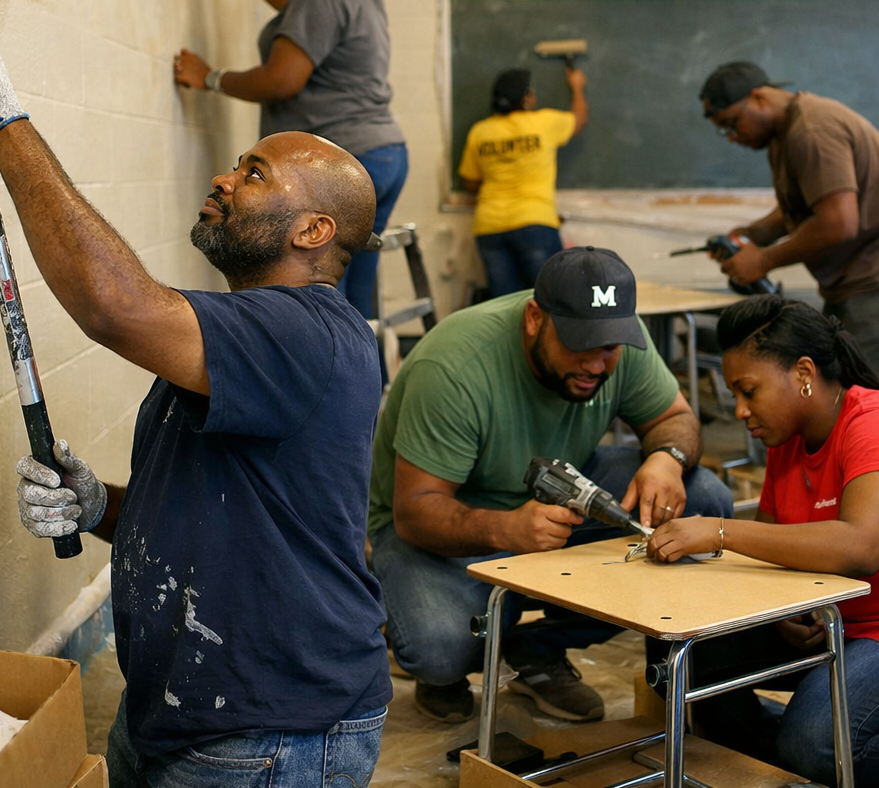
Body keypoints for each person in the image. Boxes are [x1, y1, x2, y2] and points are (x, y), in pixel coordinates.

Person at [0, 17, 392, 788]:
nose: (223, 179)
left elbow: (114, 305)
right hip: (183, 714)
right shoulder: (249, 336)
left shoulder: (307, 335)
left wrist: (3, 116)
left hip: (272, 732)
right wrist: (95, 505)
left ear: (314, 230)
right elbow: (217, 514)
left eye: (253, 175)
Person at [368, 246, 733, 724]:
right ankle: (440, 665)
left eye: (609, 348)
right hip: (445, 520)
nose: (598, 365)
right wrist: (507, 531)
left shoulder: (620, 341)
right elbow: (415, 511)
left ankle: (537, 649)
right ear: (535, 318)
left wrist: (668, 459)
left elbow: (676, 418)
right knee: (440, 648)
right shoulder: (454, 368)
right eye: (580, 345)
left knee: (703, 500)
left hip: (560, 490)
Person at [647, 296, 879, 786]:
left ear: (803, 372)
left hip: (875, 631)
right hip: (831, 625)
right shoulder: (786, 437)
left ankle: (811, 750)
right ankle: (778, 758)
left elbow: (862, 546)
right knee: (678, 654)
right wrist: (786, 612)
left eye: (748, 390)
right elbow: (775, 552)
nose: (739, 409)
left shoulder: (869, 423)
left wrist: (719, 530)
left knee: (815, 741)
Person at [174, 0, 409, 325]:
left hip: (346, 161)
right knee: (352, 299)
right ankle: (364, 387)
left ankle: (331, 388)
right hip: (381, 154)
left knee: (314, 299)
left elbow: (282, 80)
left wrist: (209, 78)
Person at [700, 60, 879, 372]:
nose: (732, 136)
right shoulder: (783, 136)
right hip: (855, 287)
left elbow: (839, 223)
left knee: (863, 399)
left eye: (732, 123)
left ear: (758, 98)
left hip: (871, 290)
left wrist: (763, 260)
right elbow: (800, 209)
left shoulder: (812, 131)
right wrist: (751, 235)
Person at [458, 65, 589, 298]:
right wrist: (577, 87)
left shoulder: (480, 131)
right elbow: (579, 119)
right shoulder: (543, 123)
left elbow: (470, 183)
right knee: (553, 299)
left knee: (507, 305)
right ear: (526, 97)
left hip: (490, 226)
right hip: (534, 221)